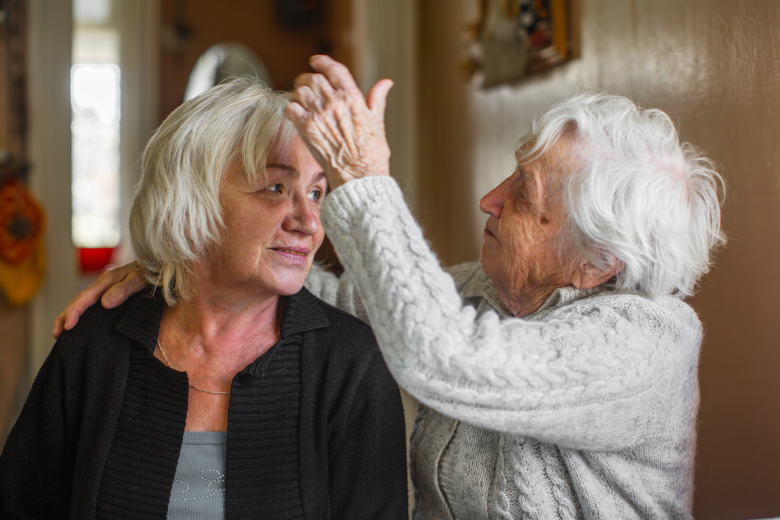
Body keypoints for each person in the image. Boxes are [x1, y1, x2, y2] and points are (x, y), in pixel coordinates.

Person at [53, 56, 726, 519]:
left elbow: (444, 357)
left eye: (524, 197)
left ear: (598, 263)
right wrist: (184, 257)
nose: (489, 200)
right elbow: (337, 298)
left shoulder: (647, 344)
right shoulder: (486, 297)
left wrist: (366, 176)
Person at [0, 77, 408, 520]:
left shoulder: (353, 366)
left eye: (316, 192)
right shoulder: (96, 344)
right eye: (276, 188)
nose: (309, 222)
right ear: (190, 200)